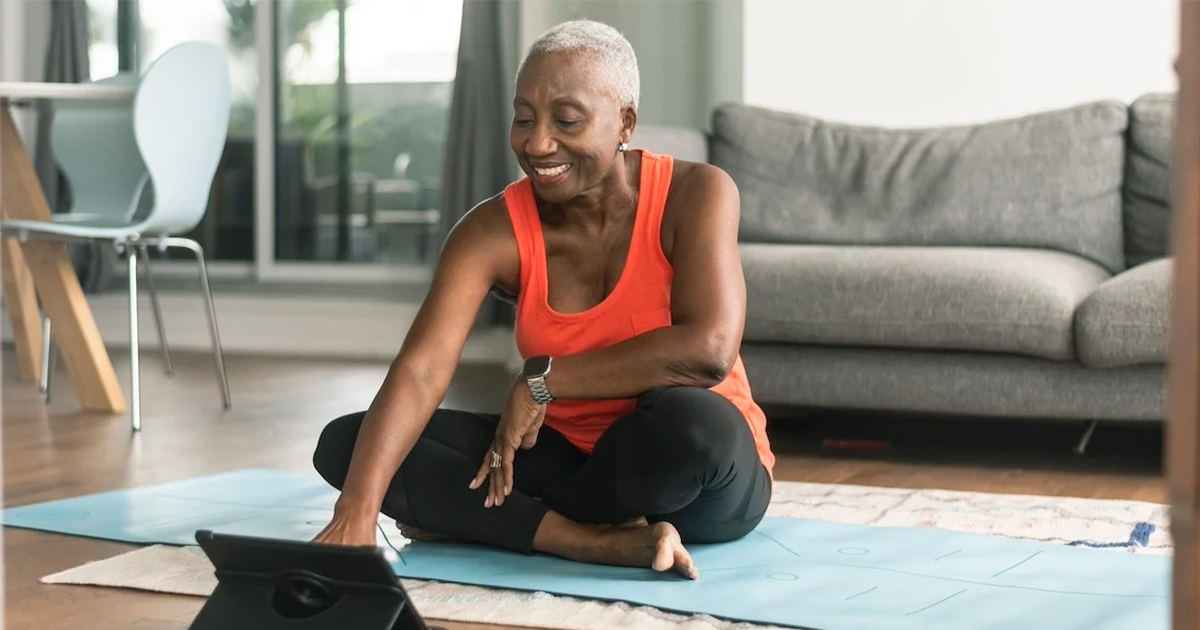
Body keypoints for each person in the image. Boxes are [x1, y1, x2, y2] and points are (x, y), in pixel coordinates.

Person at [310, 19, 775, 580]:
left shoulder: (696, 192)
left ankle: (494, 521)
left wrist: (544, 380)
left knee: (694, 423)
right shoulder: (491, 230)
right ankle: (583, 540)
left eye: (567, 120)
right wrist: (355, 513)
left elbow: (708, 350)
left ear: (625, 121)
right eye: (524, 118)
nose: (537, 144)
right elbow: (422, 369)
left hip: (689, 473)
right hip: (562, 453)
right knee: (351, 447)